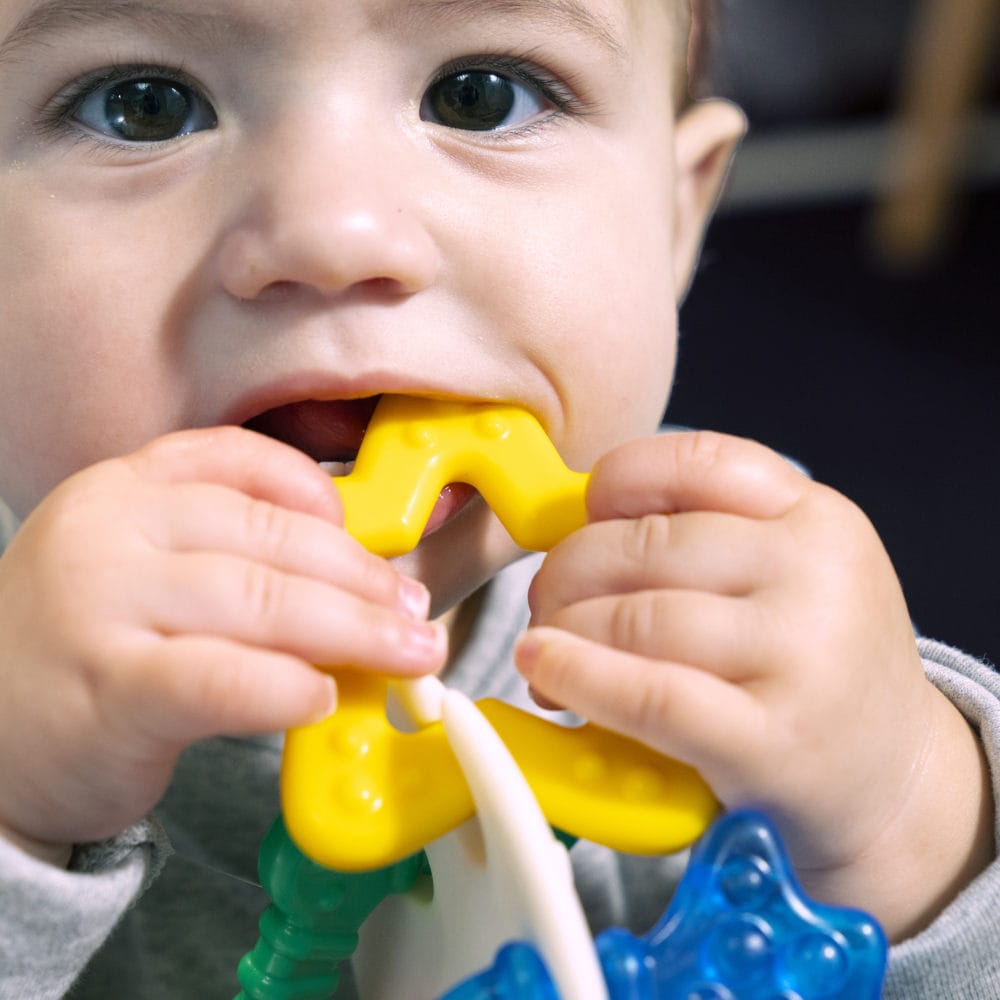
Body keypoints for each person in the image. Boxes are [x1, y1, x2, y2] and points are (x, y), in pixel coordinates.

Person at [0, 0, 997, 996]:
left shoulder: (735, 592)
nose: (334, 233)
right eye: (142, 106)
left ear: (676, 215)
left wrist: (906, 817)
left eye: (479, 96)